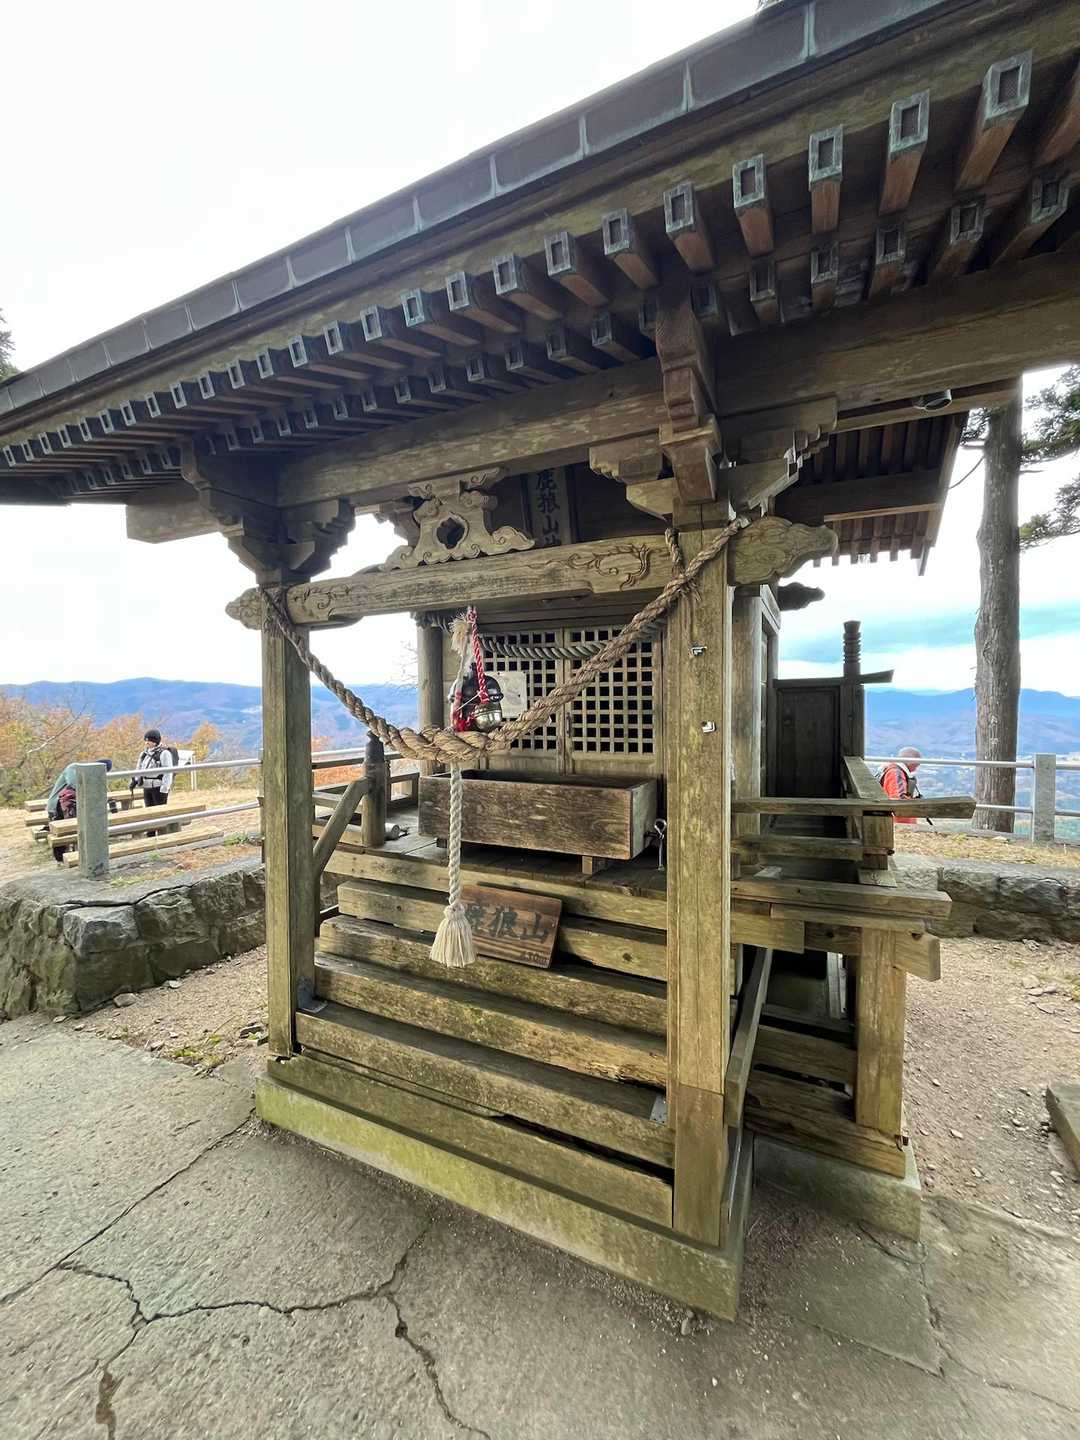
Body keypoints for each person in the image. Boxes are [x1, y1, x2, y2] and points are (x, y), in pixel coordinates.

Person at [132, 729, 177, 833]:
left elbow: (168, 772)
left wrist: (165, 788)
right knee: (149, 812)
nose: (147, 742)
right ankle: (151, 833)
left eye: (149, 740)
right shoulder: (144, 754)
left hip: (158, 787)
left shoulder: (164, 753)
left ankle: (162, 833)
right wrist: (135, 780)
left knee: (160, 813)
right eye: (146, 740)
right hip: (146, 786)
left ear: (155, 741)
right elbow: (139, 768)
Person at [46, 758, 114, 821]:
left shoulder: (93, 777)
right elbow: (74, 784)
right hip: (56, 806)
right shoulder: (73, 767)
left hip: (74, 808)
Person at [876, 746, 922, 825]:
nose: (915, 769)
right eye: (915, 766)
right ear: (910, 761)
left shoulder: (892, 769)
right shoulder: (896, 772)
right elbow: (899, 800)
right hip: (897, 822)